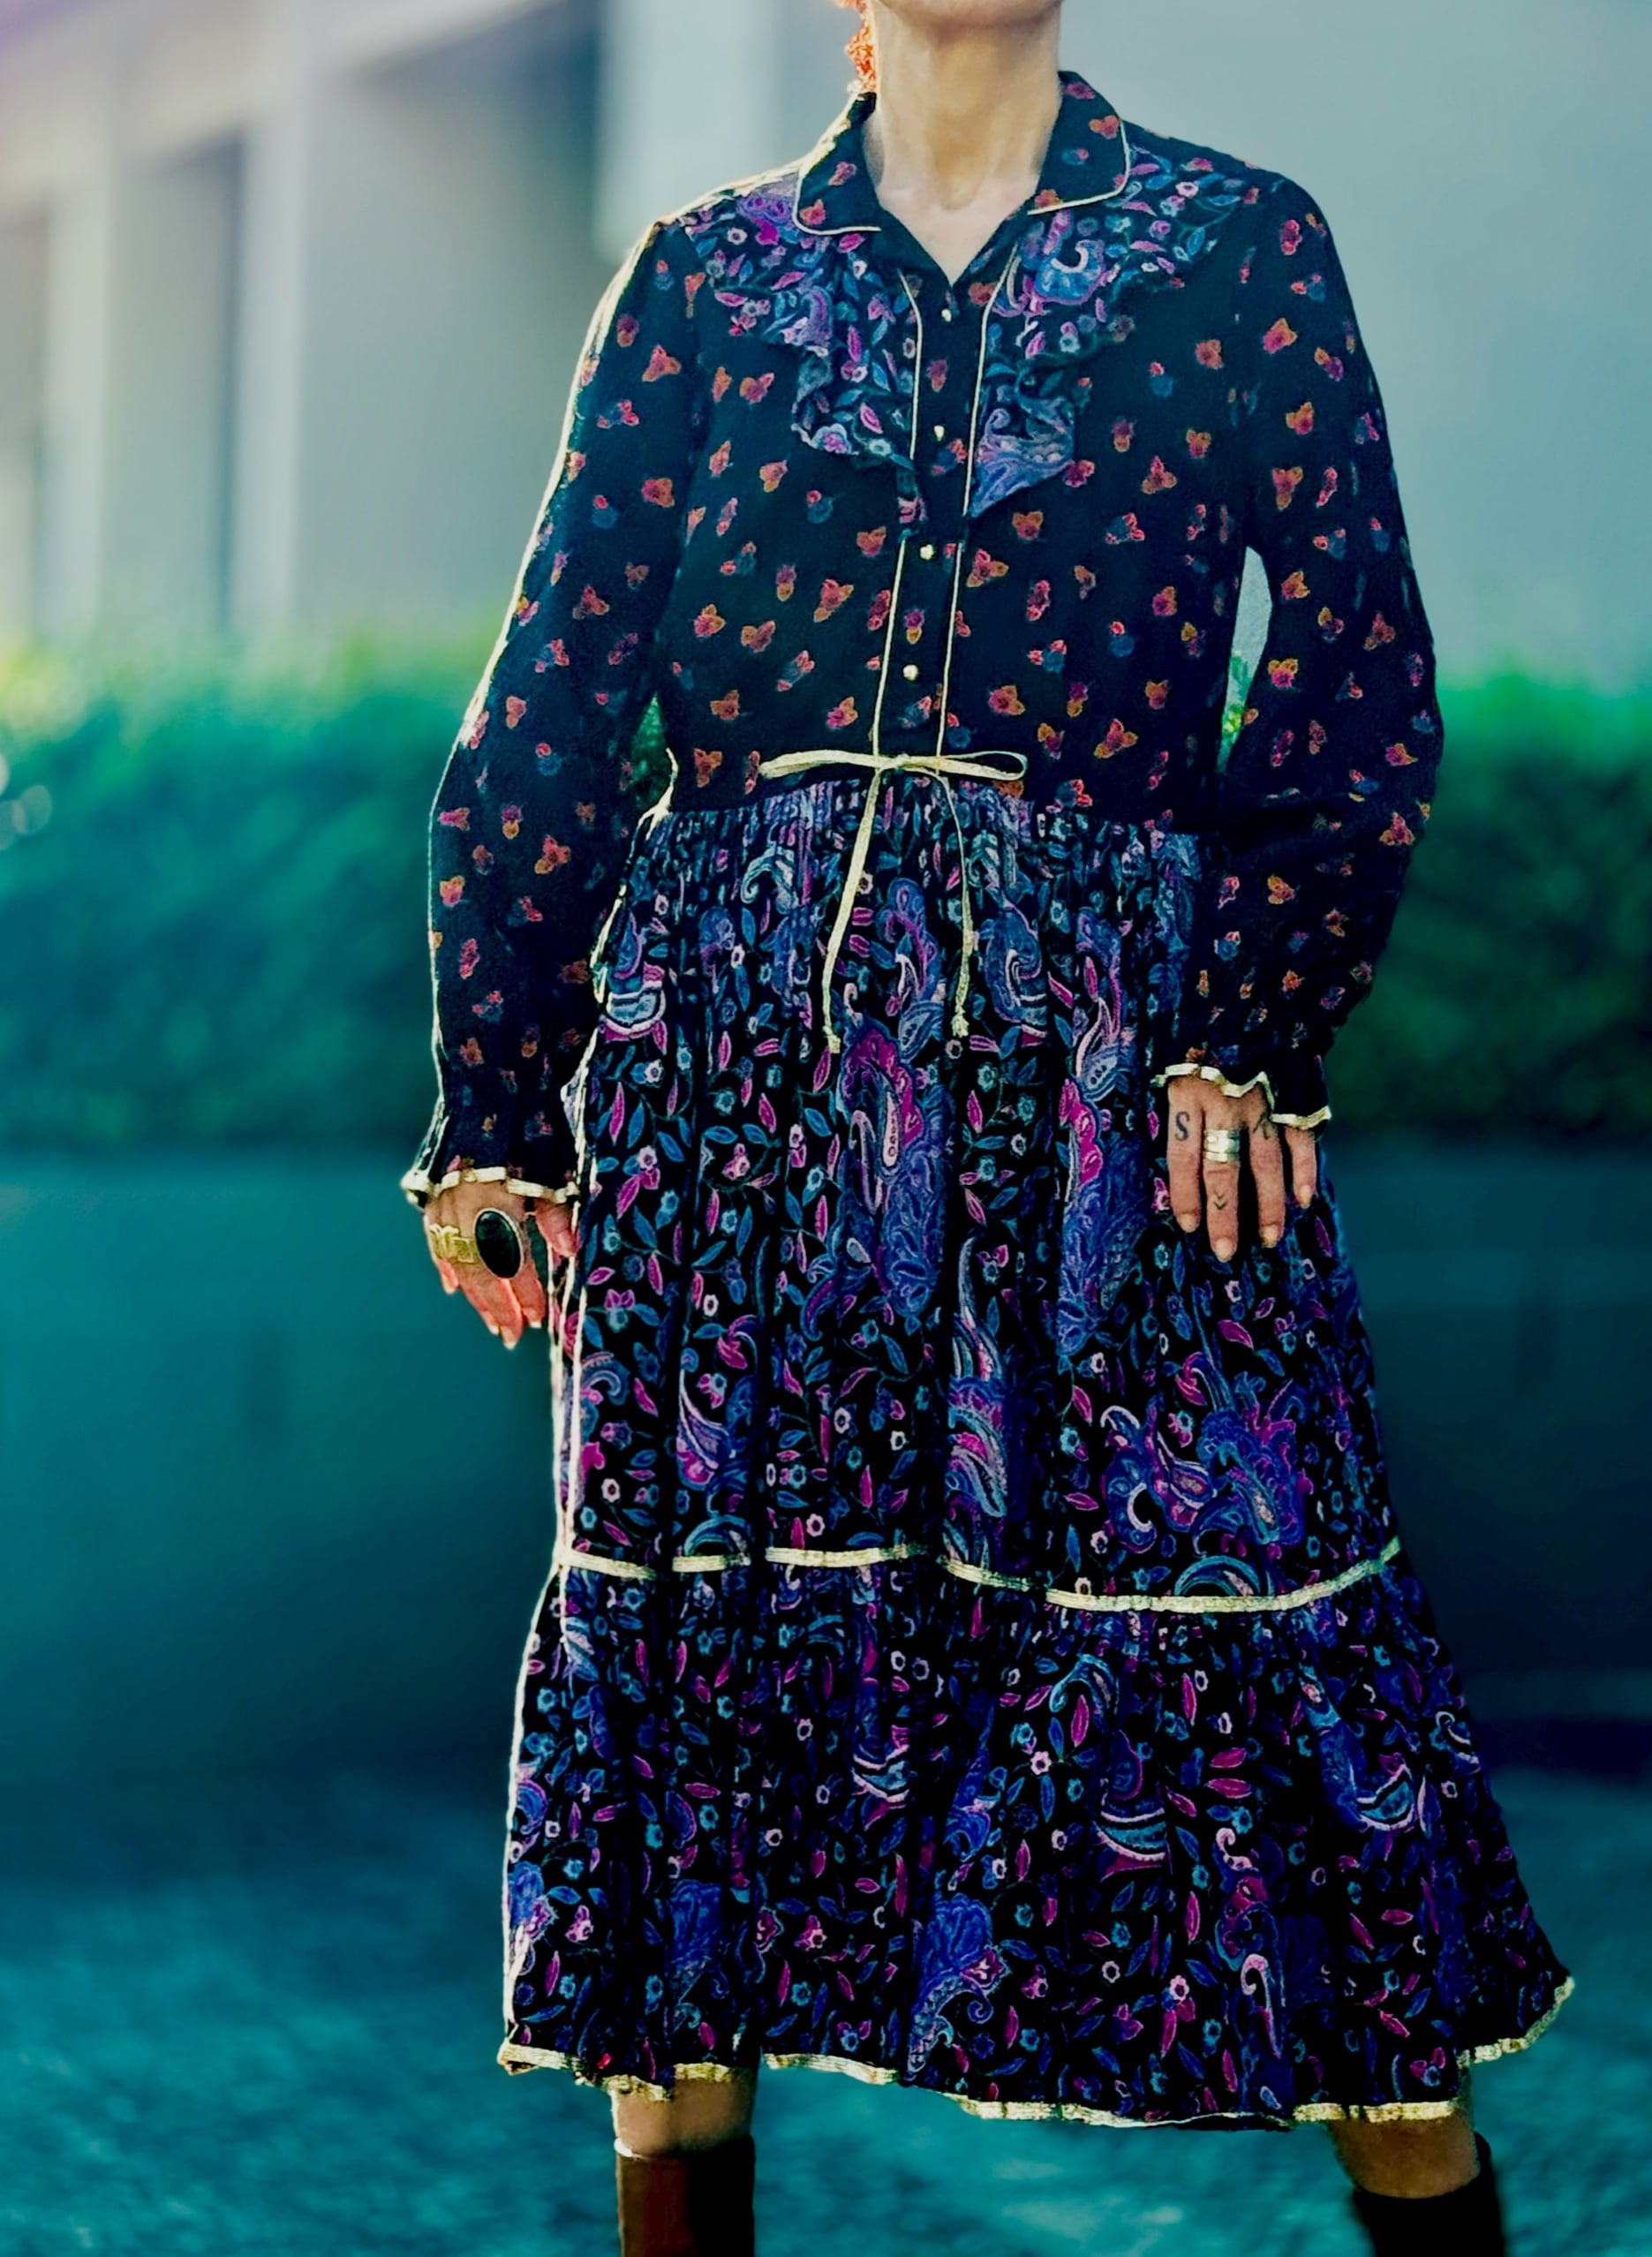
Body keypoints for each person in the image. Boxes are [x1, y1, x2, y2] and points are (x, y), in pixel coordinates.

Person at [404, 3, 1571, 2249]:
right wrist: (497, 1102)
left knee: (1261, 1614)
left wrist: (1253, 1020)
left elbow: (1353, 660)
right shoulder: (706, 278)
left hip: (1122, 1072)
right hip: (737, 1077)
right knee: (703, 1702)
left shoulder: (1235, 247)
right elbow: (553, 691)